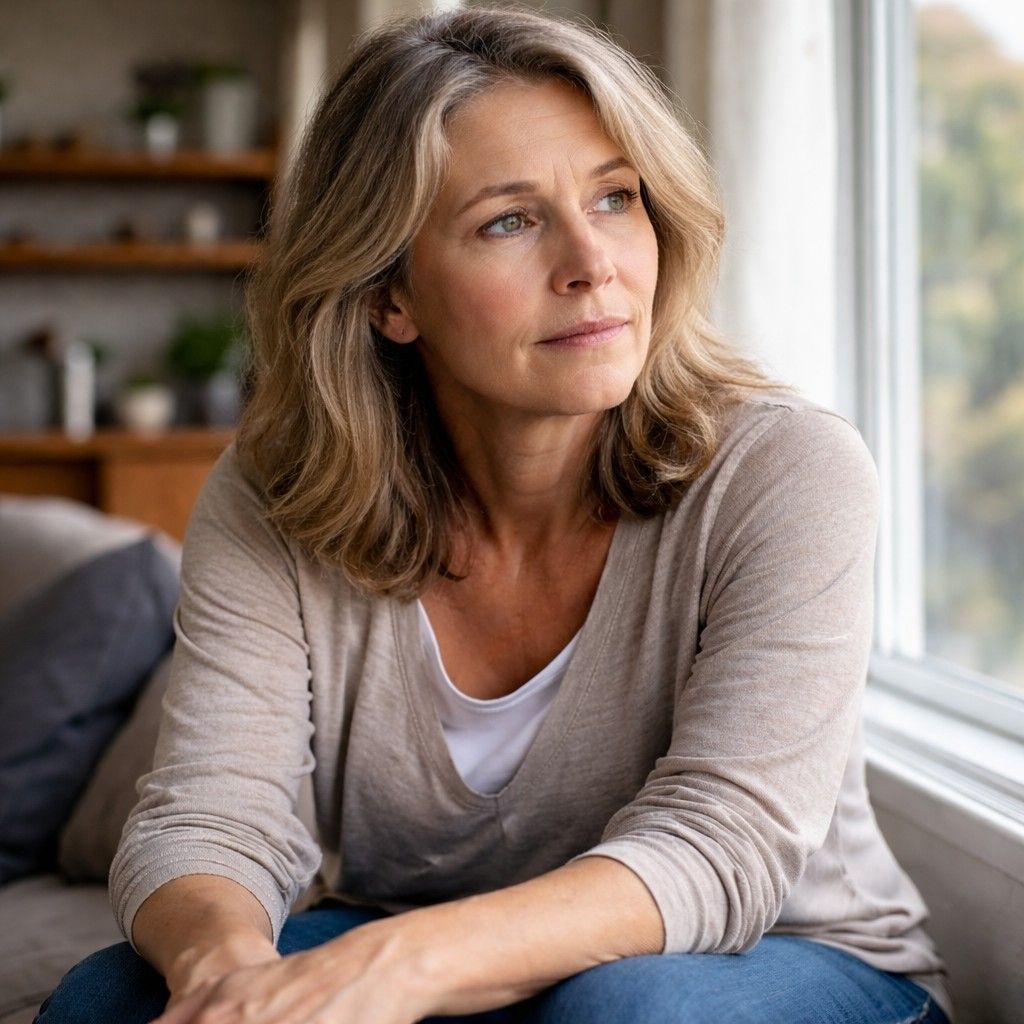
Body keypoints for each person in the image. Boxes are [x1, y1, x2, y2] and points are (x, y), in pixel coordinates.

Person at [36, 6, 953, 1023]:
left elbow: (720, 844)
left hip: (775, 954)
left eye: (615, 197)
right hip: (453, 961)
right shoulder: (275, 492)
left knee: (626, 1013)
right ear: (389, 295)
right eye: (509, 221)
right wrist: (224, 980)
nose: (593, 263)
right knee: (110, 998)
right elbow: (210, 814)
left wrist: (398, 968)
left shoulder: (787, 468)